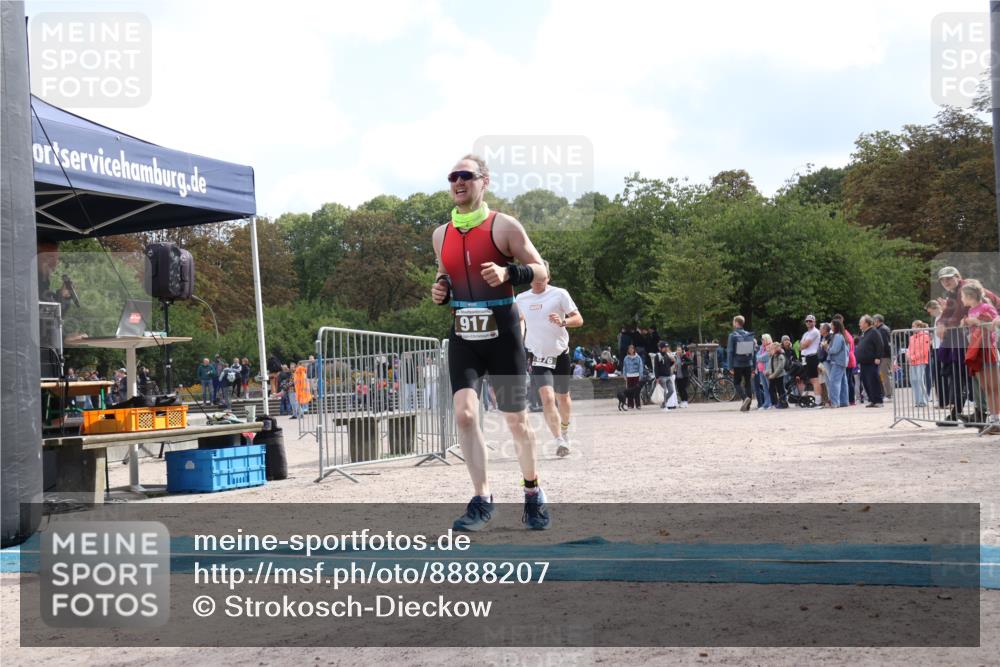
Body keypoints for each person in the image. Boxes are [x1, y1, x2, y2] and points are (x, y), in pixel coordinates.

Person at [430, 154, 551, 532]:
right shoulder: (441, 234)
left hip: (503, 330)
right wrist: (441, 289)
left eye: (466, 175)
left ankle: (532, 493)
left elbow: (541, 270)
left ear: (485, 181)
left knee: (516, 420)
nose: (458, 182)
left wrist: (508, 271)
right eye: (453, 177)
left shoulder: (504, 226)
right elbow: (444, 273)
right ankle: (482, 499)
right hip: (463, 331)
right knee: (465, 415)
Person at [516, 263, 583, 457]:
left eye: (542, 280)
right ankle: (559, 441)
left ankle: (564, 429)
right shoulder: (521, 298)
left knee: (563, 398)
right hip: (538, 356)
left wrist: (563, 321)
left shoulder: (560, 294)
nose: (538, 284)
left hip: (560, 353)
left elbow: (578, 319)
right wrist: (520, 339)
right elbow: (520, 319)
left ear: (548, 278)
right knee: (547, 397)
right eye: (535, 280)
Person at [960, 279, 1000, 432]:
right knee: (985, 387)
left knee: (993, 387)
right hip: (976, 350)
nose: (962, 299)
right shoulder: (970, 310)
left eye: (963, 296)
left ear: (970, 296)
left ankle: (997, 419)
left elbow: (994, 324)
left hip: (987, 349)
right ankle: (994, 419)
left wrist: (975, 321)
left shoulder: (986, 307)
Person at [726, 315, 755, 412]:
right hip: (748, 363)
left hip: (737, 363)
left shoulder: (732, 335)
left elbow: (730, 351)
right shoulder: (749, 334)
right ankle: (748, 406)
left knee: (736, 383)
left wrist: (730, 366)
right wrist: (753, 365)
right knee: (748, 384)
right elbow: (753, 351)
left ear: (736, 323)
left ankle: (744, 398)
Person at [856, 315, 884, 408]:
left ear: (867, 323)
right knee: (866, 381)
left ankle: (878, 400)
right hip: (864, 362)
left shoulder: (874, 332)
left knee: (873, 380)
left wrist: (878, 357)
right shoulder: (864, 333)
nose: (859, 324)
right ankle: (872, 400)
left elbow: (880, 345)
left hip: (872, 361)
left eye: (861, 322)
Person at [825, 320, 849, 408]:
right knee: (843, 382)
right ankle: (844, 401)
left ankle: (835, 402)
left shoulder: (838, 336)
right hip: (842, 362)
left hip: (837, 362)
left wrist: (826, 348)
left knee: (833, 382)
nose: (830, 327)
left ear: (836, 326)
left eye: (832, 325)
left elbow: (835, 350)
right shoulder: (842, 335)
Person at [907, 321, 931, 409]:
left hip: (921, 361)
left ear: (919, 327)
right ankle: (917, 401)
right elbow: (909, 348)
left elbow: (924, 351)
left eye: (914, 326)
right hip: (912, 362)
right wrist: (908, 355)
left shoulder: (925, 337)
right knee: (913, 380)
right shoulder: (911, 337)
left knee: (920, 380)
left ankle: (924, 400)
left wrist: (913, 357)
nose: (912, 328)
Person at [799, 314, 822, 399]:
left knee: (814, 379)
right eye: (807, 321)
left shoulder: (815, 332)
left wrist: (802, 345)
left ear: (814, 322)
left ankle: (818, 401)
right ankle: (816, 399)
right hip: (805, 357)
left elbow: (804, 345)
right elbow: (800, 346)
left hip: (812, 356)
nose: (808, 322)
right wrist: (802, 345)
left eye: (810, 321)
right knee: (810, 379)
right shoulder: (806, 333)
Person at [872, 315, 893, 400]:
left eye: (874, 321)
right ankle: (887, 394)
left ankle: (888, 395)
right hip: (885, 355)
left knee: (885, 376)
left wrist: (880, 355)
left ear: (877, 321)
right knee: (884, 375)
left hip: (884, 356)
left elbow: (883, 344)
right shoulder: (883, 329)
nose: (873, 322)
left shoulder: (882, 330)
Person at [653, 341, 676, 411]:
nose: (665, 348)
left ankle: (663, 403)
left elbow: (669, 364)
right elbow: (656, 367)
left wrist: (673, 361)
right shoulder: (657, 356)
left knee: (671, 390)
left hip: (668, 375)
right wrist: (657, 377)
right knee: (664, 391)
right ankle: (665, 405)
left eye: (666, 347)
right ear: (660, 348)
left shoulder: (666, 355)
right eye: (664, 347)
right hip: (661, 376)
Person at [766, 342, 789, 408]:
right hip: (772, 376)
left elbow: (780, 367)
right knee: (771, 389)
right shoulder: (772, 356)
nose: (771, 350)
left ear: (776, 349)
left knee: (780, 389)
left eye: (772, 348)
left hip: (779, 376)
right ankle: (774, 403)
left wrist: (773, 375)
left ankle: (783, 402)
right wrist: (768, 372)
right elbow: (770, 366)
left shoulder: (780, 356)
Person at [622, 344, 644, 410]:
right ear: (628, 350)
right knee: (629, 391)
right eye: (629, 349)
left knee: (637, 391)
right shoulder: (626, 358)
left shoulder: (638, 357)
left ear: (634, 350)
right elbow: (624, 367)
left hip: (636, 375)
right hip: (629, 376)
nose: (631, 350)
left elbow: (640, 366)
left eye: (632, 349)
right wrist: (624, 375)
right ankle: (630, 405)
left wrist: (640, 375)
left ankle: (638, 405)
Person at [754, 334, 773, 410]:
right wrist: (759, 358)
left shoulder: (770, 346)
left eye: (763, 339)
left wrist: (759, 358)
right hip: (761, 370)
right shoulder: (762, 348)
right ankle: (766, 403)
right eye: (761, 339)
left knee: (769, 387)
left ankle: (771, 402)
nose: (761, 341)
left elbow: (765, 357)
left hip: (767, 370)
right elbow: (757, 356)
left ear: (767, 339)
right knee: (765, 388)